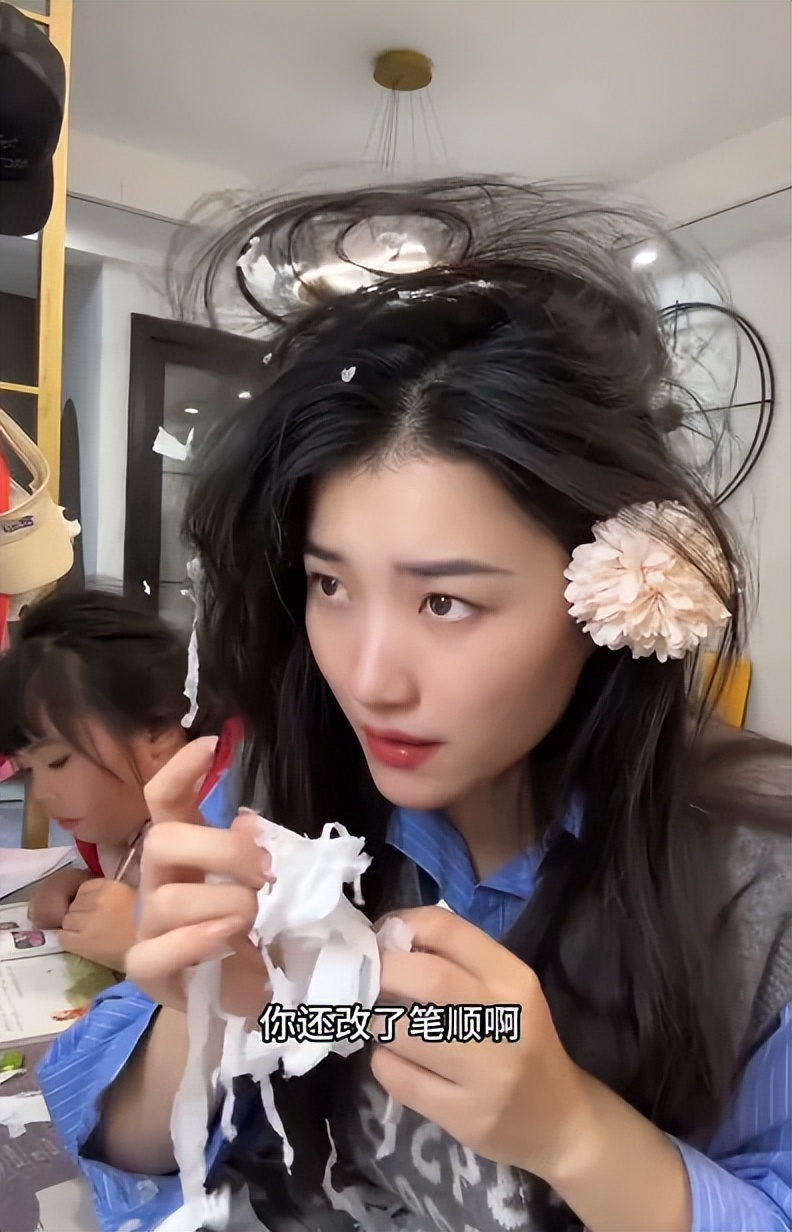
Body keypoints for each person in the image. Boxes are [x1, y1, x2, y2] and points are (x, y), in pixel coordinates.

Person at [39, 179, 789, 1232]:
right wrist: (215, 1009)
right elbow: (110, 1126)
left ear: (614, 593)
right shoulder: (279, 798)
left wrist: (578, 1134)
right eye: (331, 584)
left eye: (446, 601)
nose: (367, 677)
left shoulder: (758, 892)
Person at [0, 589, 233, 972]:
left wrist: (146, 939)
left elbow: (275, 974)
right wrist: (82, 888)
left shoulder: (234, 821)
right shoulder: (115, 823)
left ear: (157, 732)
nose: (41, 793)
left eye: (58, 761)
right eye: (29, 770)